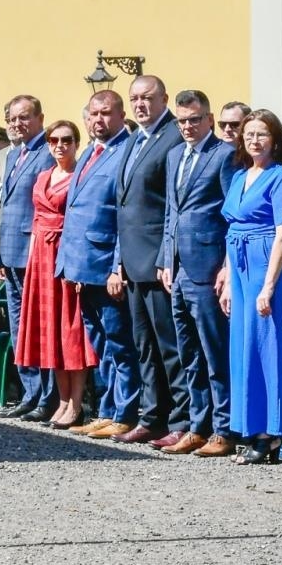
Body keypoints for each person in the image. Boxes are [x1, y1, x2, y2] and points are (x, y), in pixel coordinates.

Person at [220, 109, 282, 464]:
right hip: (238, 264)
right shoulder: (240, 176)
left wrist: (268, 286)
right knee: (242, 348)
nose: (255, 140)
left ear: (275, 140)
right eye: (249, 134)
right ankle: (250, 427)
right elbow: (232, 228)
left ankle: (270, 433)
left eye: (262, 135)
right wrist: (225, 276)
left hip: (264, 263)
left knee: (265, 347)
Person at [156, 90, 237, 457]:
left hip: (208, 266)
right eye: (182, 120)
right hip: (178, 268)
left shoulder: (224, 155)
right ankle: (196, 424)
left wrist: (226, 267)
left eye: (194, 119)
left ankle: (223, 428)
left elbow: (232, 216)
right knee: (188, 351)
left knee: (214, 351)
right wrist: (164, 260)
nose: (187, 126)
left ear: (208, 119)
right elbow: (172, 213)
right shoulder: (175, 155)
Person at [58, 90, 141, 437]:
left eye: (106, 113)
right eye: (93, 114)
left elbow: (125, 217)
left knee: (119, 343)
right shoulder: (91, 151)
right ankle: (107, 409)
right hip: (82, 265)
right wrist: (70, 266)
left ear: (121, 115)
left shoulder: (127, 150)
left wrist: (116, 267)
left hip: (106, 264)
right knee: (101, 344)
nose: (98, 120)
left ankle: (125, 412)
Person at [113, 75, 186, 446]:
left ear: (164, 99)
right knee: (144, 344)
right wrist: (118, 261)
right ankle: (151, 415)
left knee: (168, 345)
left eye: (148, 98)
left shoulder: (173, 137)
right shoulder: (133, 139)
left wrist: (164, 258)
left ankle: (180, 418)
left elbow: (171, 208)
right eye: (135, 98)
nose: (141, 104)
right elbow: (124, 204)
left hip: (159, 262)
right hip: (132, 261)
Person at [14, 119, 95, 427]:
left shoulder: (80, 176)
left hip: (67, 254)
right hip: (41, 259)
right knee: (50, 332)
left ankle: (76, 403)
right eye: (53, 140)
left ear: (76, 143)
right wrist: (31, 258)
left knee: (71, 331)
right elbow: (36, 218)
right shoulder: (43, 175)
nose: (60, 146)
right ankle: (61, 401)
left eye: (66, 140)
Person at [0, 95, 53, 420]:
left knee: (38, 327)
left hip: (33, 252)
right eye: (13, 119)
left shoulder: (46, 153)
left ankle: (47, 396)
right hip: (10, 253)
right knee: (19, 328)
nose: (18, 124)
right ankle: (29, 392)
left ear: (40, 118)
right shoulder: (13, 154)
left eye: (25, 117)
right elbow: (4, 207)